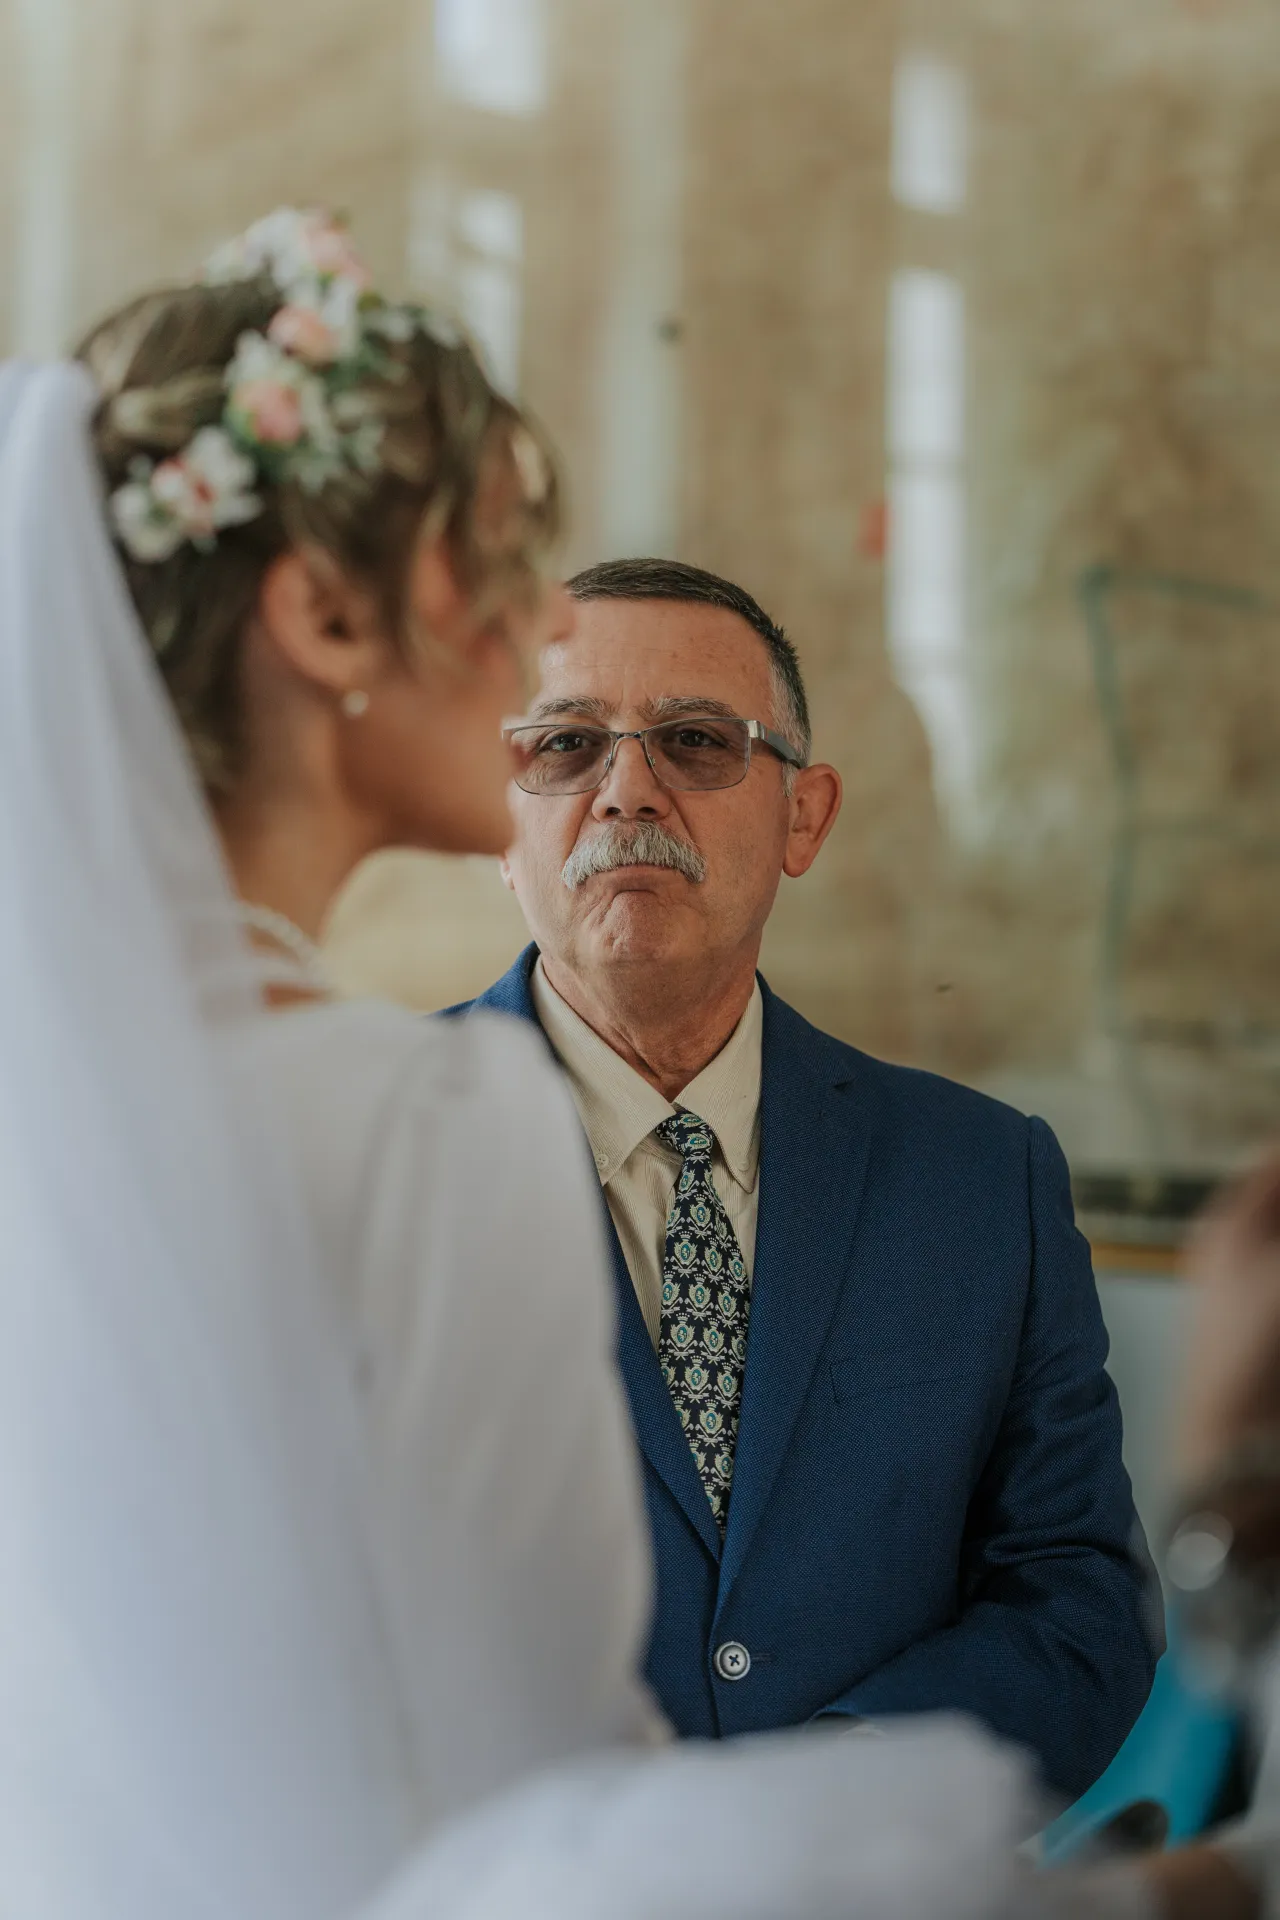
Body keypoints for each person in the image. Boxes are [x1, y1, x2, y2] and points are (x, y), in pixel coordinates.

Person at [0, 210, 1071, 1920]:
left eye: (695, 745)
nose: (529, 642)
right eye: (490, 571)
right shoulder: (422, 1124)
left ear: (807, 810)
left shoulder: (44, 1102)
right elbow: (550, 1836)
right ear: (324, 616)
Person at [453, 554, 1159, 1797]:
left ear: (804, 816)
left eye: (693, 741)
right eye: (563, 745)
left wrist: (829, 1801)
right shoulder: (355, 1154)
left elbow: (1075, 1596)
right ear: (489, 816)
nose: (626, 790)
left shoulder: (983, 1180)